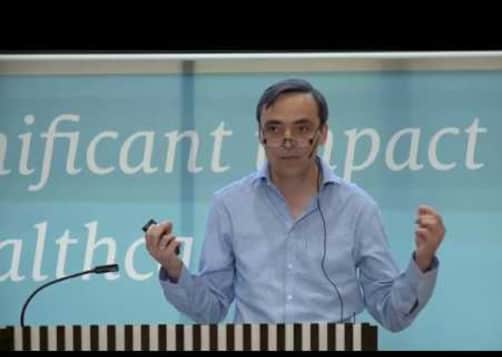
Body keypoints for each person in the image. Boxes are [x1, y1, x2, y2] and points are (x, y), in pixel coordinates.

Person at [145, 78, 445, 332]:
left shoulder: (357, 207)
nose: (287, 140)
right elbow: (210, 310)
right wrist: (173, 268)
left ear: (322, 133)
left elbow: (392, 314)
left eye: (302, 128)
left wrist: (422, 262)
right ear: (261, 135)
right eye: (274, 129)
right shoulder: (229, 205)